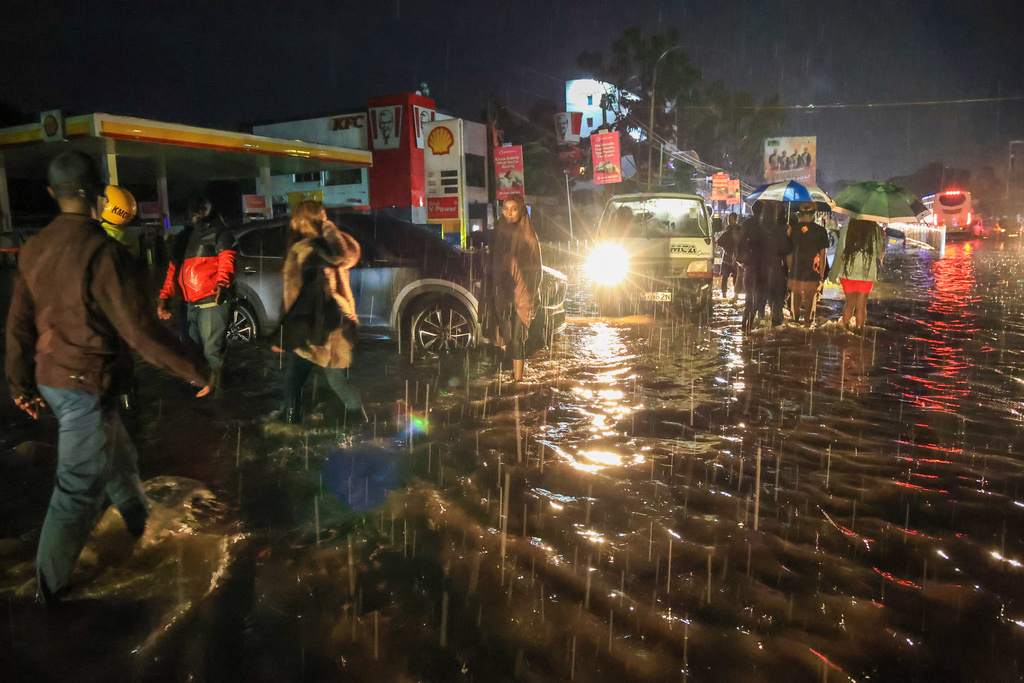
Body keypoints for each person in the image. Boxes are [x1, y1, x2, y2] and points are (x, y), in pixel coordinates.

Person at [4, 151, 211, 605]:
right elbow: (139, 331)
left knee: (118, 457)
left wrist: (19, 385)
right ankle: (48, 592)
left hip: (53, 380)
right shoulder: (103, 251)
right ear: (98, 194)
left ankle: (140, 527)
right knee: (77, 489)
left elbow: (18, 323)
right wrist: (195, 368)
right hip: (85, 382)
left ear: (51, 194)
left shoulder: (34, 248)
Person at [277, 200, 366, 424]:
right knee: (334, 380)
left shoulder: (307, 249)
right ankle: (361, 422)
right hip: (334, 326)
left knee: (294, 381)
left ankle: (290, 425)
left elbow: (302, 295)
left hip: (316, 326)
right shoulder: (329, 246)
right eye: (322, 214)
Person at [156, 196, 237, 395]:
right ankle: (208, 390)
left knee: (212, 351)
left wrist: (223, 284)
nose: (196, 213)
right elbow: (173, 271)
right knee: (193, 349)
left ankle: (219, 396)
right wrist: (164, 297)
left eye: (201, 208)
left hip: (212, 301)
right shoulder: (184, 238)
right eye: (194, 209)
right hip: (190, 303)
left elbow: (227, 260)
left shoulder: (220, 232)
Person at [489, 194, 542, 381]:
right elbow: (493, 262)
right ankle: (511, 368)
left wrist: (532, 291)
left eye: (514, 209)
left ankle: (518, 381)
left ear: (521, 210)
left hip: (523, 292)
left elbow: (537, 266)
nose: (509, 213)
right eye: (505, 209)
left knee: (518, 337)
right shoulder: (500, 233)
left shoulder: (528, 234)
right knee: (505, 335)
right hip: (503, 292)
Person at [830, 219, 886, 331]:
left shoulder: (847, 229)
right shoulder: (875, 230)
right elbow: (880, 251)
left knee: (849, 303)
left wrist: (833, 273)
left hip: (848, 271)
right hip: (866, 272)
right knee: (861, 306)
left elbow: (840, 252)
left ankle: (844, 330)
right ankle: (859, 333)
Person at [786, 202, 830, 327]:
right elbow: (822, 256)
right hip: (813, 271)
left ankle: (795, 321)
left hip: (796, 271)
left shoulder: (793, 230)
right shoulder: (821, 231)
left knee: (796, 297)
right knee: (810, 299)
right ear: (814, 214)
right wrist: (821, 275)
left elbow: (789, 253)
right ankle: (807, 325)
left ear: (800, 214)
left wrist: (790, 269)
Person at [716, 213, 743, 300]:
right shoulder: (727, 231)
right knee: (725, 276)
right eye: (729, 219)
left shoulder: (739, 230)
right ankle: (724, 293)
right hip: (727, 257)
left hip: (736, 258)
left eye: (732, 219)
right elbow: (719, 242)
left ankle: (736, 294)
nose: (730, 221)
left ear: (736, 219)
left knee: (736, 276)